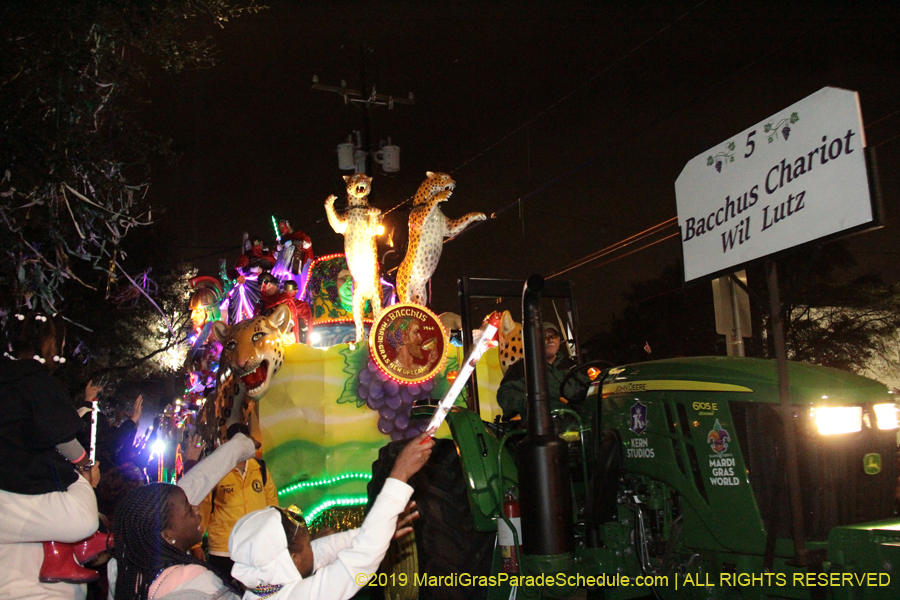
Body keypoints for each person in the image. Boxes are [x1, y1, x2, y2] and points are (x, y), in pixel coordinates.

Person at [228, 429, 435, 600]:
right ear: (293, 558)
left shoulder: (264, 586)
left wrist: (379, 529)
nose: (315, 544)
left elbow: (321, 551)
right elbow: (360, 561)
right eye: (308, 543)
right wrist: (400, 473)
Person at [0, 311, 105, 598]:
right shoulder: (35, 380)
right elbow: (63, 438)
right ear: (48, 345)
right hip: (28, 475)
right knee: (71, 493)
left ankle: (62, 554)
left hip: (10, 475)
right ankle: (78, 546)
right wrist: (84, 467)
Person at [107, 431, 258, 599]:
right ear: (167, 535)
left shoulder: (124, 570)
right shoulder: (199, 584)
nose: (197, 509)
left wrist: (239, 446)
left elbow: (197, 481)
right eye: (188, 509)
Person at [198, 423, 279, 585]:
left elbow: (272, 507)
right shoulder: (216, 471)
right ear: (228, 443)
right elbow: (203, 508)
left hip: (255, 549)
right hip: (223, 551)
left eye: (245, 442)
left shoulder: (260, 469)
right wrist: (196, 545)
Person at [496, 321, 587, 421]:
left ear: (559, 340)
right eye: (545, 336)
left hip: (577, 423)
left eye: (554, 336)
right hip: (541, 426)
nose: (551, 340)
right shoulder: (523, 368)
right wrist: (533, 401)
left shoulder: (571, 366)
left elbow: (590, 389)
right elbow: (504, 395)